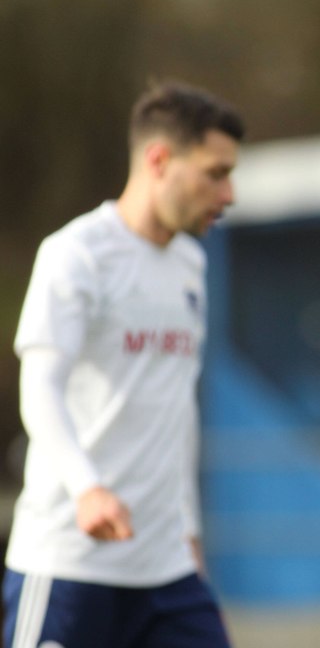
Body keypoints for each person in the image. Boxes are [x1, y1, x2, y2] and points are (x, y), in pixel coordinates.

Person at [3, 81, 243, 647]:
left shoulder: (189, 264)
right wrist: (88, 489)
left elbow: (175, 407)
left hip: (165, 570)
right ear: (159, 160)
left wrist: (189, 534)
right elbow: (40, 386)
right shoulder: (76, 254)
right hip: (70, 562)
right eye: (215, 173)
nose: (228, 193)